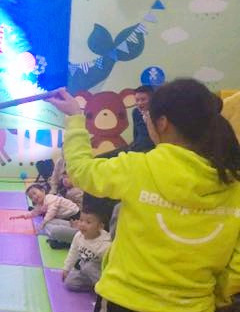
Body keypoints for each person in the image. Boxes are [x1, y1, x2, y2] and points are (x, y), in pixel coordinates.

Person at [47, 79, 240, 312]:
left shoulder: (139, 167)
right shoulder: (233, 183)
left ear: (163, 123)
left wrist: (75, 117)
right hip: (195, 305)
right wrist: (214, 297)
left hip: (126, 299)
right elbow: (236, 264)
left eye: (147, 115)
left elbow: (81, 171)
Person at [11, 183, 81, 248]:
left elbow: (51, 212)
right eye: (31, 197)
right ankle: (58, 237)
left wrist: (42, 224)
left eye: (34, 193)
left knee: (46, 222)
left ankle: (62, 239)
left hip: (75, 215)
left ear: (43, 191)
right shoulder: (40, 204)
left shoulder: (50, 198)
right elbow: (34, 212)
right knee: (47, 223)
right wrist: (23, 216)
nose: (34, 197)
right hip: (66, 217)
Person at [62, 208, 111, 292]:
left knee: (88, 266)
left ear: (100, 227)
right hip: (85, 270)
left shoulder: (105, 245)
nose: (82, 224)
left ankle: (103, 288)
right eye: (81, 220)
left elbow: (110, 265)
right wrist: (66, 268)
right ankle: (94, 287)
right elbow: (73, 252)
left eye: (88, 222)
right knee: (69, 283)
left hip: (100, 272)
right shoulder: (78, 236)